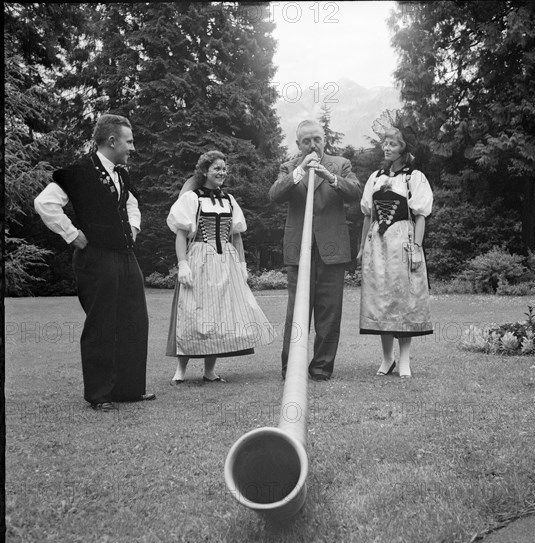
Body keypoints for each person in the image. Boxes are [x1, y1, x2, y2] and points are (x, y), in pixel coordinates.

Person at [34, 113, 155, 410]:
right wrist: (73, 235)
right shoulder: (79, 171)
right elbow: (44, 203)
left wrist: (133, 230)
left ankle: (128, 389)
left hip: (125, 256)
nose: (133, 148)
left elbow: (131, 205)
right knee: (102, 323)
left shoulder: (121, 173)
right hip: (96, 258)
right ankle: (99, 394)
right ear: (112, 141)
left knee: (134, 320)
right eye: (129, 141)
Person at [165, 150, 275, 383]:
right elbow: (181, 234)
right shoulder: (192, 198)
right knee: (192, 312)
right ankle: (180, 370)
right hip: (199, 259)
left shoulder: (229, 200)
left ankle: (209, 371)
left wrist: (243, 264)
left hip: (225, 261)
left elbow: (236, 237)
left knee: (218, 315)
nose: (222, 172)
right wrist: (182, 263)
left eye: (224, 168)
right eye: (217, 168)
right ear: (205, 171)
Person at [269, 120, 362, 381]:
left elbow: (355, 192)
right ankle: (291, 369)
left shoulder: (341, 164)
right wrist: (300, 169)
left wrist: (329, 177)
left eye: (317, 139)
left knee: (329, 313)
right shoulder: (289, 166)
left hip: (332, 251)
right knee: (296, 314)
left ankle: (321, 368)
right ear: (298, 144)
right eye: (306, 140)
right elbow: (274, 194)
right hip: (299, 251)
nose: (313, 144)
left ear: (324, 140)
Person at [357, 110, 433, 379]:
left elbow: (421, 216)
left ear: (404, 149)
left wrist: (417, 247)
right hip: (378, 242)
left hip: (403, 241)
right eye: (385, 143)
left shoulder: (414, 178)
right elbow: (368, 214)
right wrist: (362, 247)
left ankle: (404, 360)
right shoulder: (375, 177)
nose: (386, 147)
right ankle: (387, 358)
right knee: (381, 299)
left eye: (393, 144)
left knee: (403, 299)